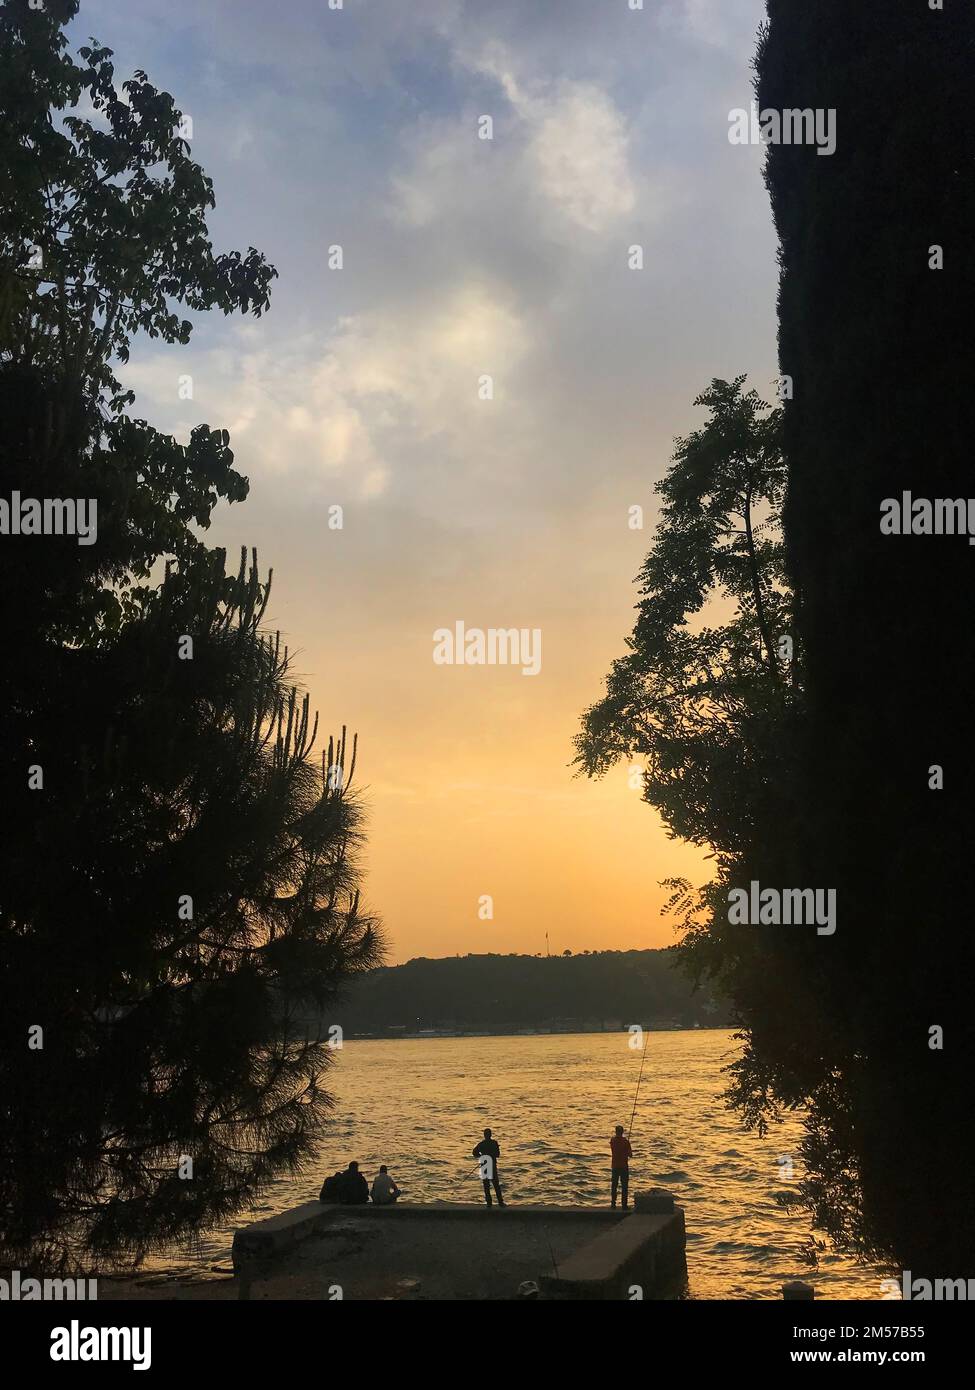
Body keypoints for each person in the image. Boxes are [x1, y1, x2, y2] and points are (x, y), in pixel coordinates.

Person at [472, 1127, 504, 1207]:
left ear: (484, 1135)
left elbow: (474, 1152)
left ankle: (489, 1203)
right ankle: (500, 1203)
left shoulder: (481, 1144)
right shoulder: (494, 1143)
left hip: (484, 1166)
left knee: (486, 1186)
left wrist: (481, 1157)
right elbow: (498, 1154)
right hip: (492, 1165)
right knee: (496, 1185)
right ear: (490, 1135)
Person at [610, 1124, 633, 1209]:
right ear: (622, 1132)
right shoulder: (625, 1142)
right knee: (624, 1187)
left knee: (614, 1186)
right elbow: (630, 1155)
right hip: (623, 1166)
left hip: (615, 1166)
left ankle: (613, 1204)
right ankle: (624, 1205)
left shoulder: (612, 1141)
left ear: (616, 1132)